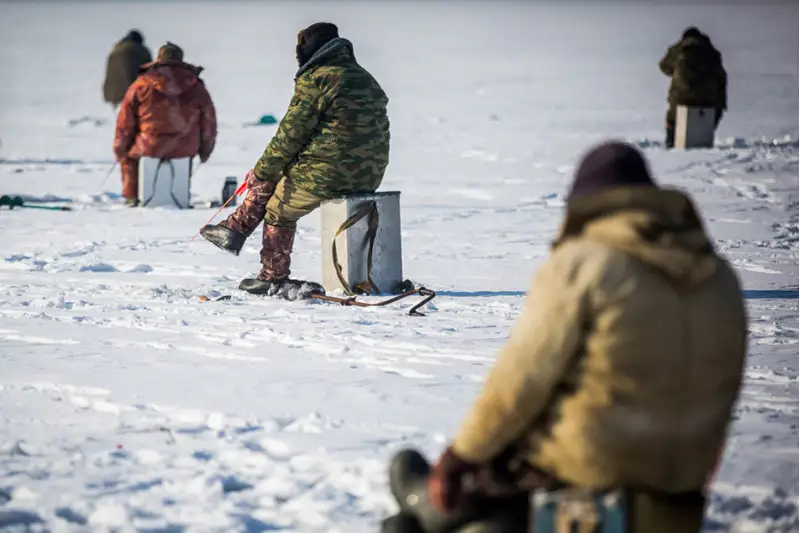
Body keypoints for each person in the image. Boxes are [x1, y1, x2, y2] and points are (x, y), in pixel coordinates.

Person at [382, 141, 747, 533]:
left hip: (585, 486)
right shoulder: (721, 278)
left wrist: (461, 457)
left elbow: (521, 380)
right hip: (677, 503)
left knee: (421, 517)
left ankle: (430, 507)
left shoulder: (587, 262)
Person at [200, 22, 390, 294]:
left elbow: (290, 135)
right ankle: (234, 228)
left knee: (279, 208)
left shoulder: (318, 78)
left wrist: (261, 172)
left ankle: (270, 275)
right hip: (369, 172)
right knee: (279, 175)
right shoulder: (365, 77)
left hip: (332, 171)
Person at [113, 42, 217, 207]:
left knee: (130, 159)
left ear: (159, 59)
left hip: (149, 145)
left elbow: (125, 123)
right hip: (185, 146)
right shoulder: (196, 87)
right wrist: (205, 150)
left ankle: (133, 198)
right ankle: (179, 198)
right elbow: (209, 123)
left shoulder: (141, 85)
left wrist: (120, 149)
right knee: (182, 154)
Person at [659, 27, 727, 148]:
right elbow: (721, 78)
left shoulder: (679, 50)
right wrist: (721, 102)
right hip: (709, 99)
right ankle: (702, 140)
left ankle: (670, 142)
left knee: (671, 118)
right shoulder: (712, 53)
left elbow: (664, 66)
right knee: (708, 117)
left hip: (681, 98)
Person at [103, 30, 153, 110]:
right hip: (132, 93)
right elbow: (150, 71)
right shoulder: (141, 50)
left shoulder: (115, 50)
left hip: (112, 94)